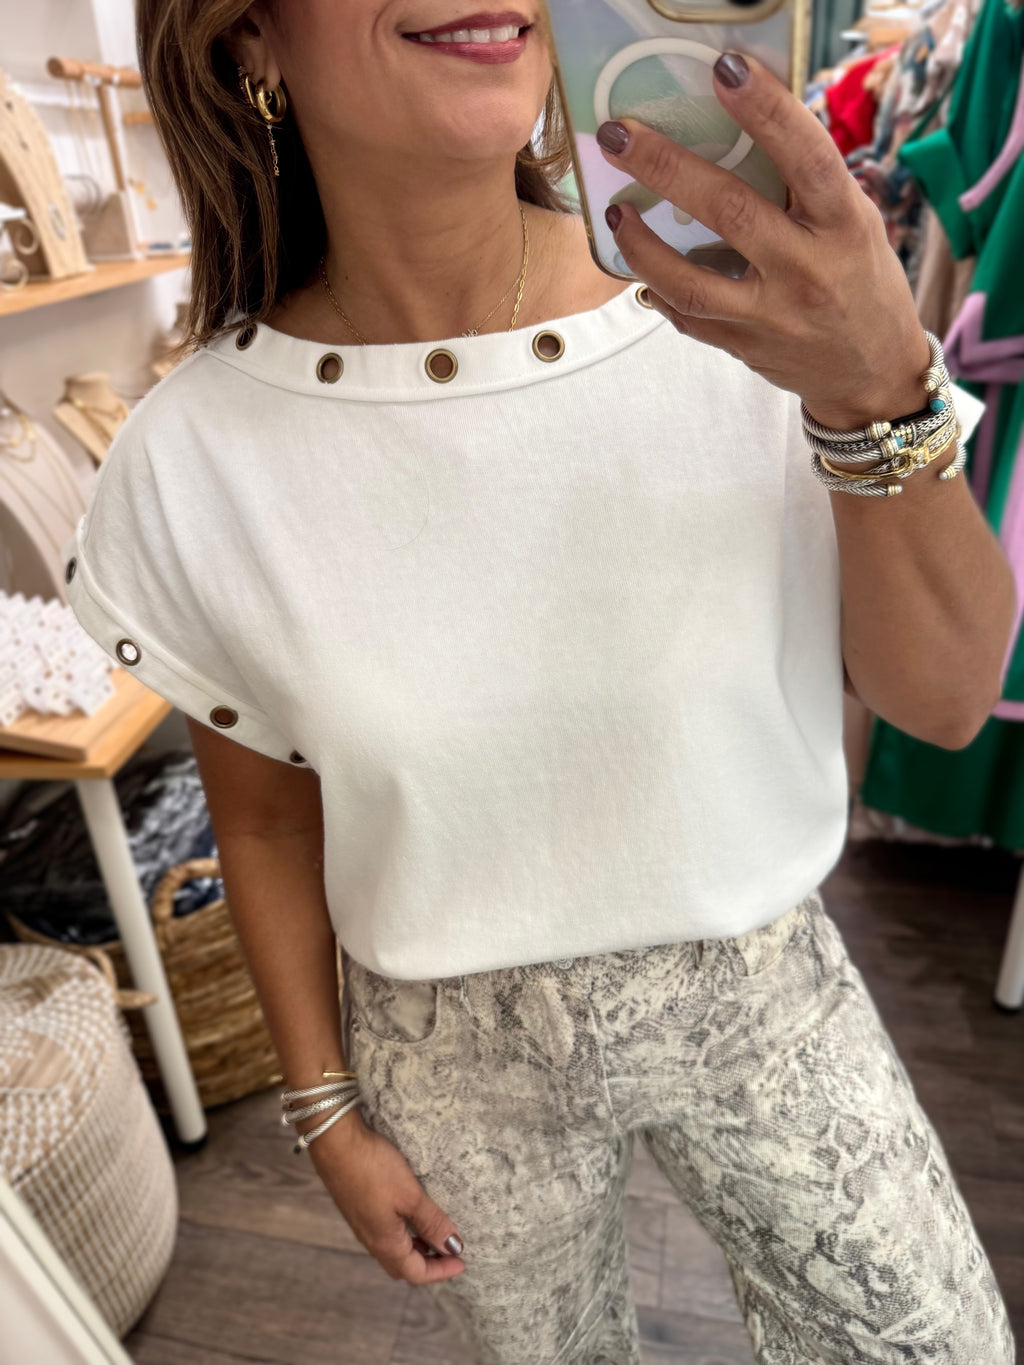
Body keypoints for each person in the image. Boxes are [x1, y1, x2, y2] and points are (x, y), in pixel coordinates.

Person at [63, 2, 1017, 1362]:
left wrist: (880, 390)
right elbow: (267, 818)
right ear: (247, 36)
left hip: (767, 994)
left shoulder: (748, 315)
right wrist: (323, 1107)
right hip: (447, 1048)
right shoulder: (195, 457)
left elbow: (945, 702)